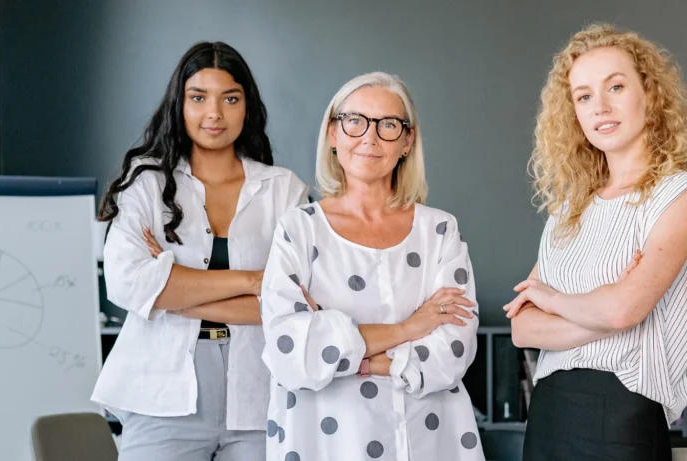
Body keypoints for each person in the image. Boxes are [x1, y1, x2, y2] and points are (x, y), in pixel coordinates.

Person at [91, 41, 308, 461]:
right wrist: (252, 281)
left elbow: (296, 304)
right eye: (198, 98)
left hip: (262, 395)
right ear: (180, 105)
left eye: (230, 98)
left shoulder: (284, 190)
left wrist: (173, 293)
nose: (215, 113)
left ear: (248, 106)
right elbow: (127, 282)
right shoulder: (146, 183)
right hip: (160, 391)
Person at [260, 72, 484, 461]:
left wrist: (342, 345)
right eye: (355, 121)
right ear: (333, 133)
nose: (370, 137)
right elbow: (291, 352)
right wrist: (408, 328)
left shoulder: (440, 230)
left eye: (389, 125)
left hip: (429, 438)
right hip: (326, 441)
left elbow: (455, 346)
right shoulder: (298, 229)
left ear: (407, 140)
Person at [504, 24, 687, 461]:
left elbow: (623, 309)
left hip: (622, 415)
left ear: (650, 94)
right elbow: (521, 328)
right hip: (548, 414)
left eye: (616, 87)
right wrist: (602, 314)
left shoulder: (677, 194)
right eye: (584, 96)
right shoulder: (570, 207)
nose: (600, 107)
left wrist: (552, 297)